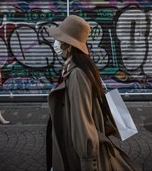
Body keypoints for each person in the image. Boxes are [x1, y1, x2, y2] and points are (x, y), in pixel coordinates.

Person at [46, 15, 142, 171]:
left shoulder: (77, 74)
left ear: (69, 44)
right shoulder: (75, 67)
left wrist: (88, 163)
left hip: (76, 156)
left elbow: (82, 123)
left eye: (59, 38)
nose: (55, 42)